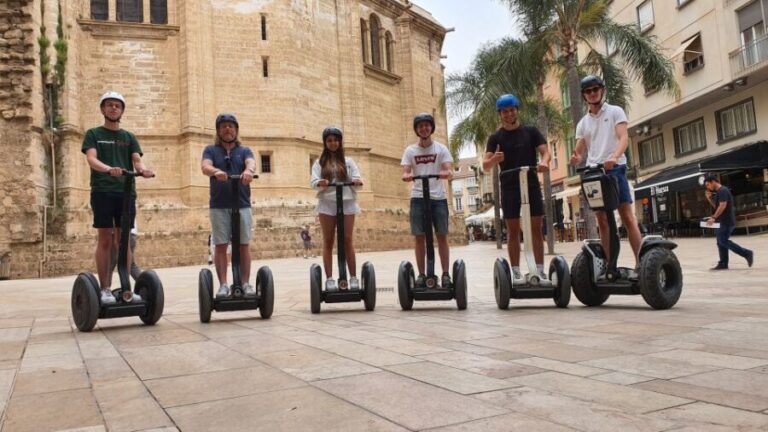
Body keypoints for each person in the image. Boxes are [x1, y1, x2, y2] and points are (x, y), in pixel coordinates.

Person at [82, 91, 154, 304]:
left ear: (122, 110)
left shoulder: (128, 137)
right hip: (103, 191)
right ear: (103, 109)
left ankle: (126, 287)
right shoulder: (93, 134)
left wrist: (144, 170)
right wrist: (108, 169)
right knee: (105, 240)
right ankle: (105, 288)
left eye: (117, 105)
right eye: (110, 105)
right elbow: (91, 159)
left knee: (123, 242)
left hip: (126, 193)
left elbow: (136, 161)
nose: (113, 108)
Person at [570, 75, 642, 274]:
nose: (593, 93)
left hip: (615, 169)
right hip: (594, 173)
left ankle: (640, 262)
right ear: (584, 96)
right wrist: (575, 158)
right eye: (588, 91)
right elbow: (579, 149)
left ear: (602, 90)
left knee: (626, 215)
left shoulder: (615, 111)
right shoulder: (583, 123)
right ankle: (609, 267)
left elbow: (623, 137)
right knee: (602, 219)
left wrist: (615, 156)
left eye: (595, 89)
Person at [482, 94, 551, 280]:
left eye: (512, 110)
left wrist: (544, 162)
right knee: (512, 231)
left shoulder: (530, 132)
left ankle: (539, 269)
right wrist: (494, 159)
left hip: (531, 184)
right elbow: (485, 165)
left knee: (537, 228)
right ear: (500, 114)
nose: (509, 114)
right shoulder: (495, 138)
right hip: (510, 187)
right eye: (505, 111)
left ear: (517, 110)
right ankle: (515, 271)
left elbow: (545, 152)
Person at [201, 113, 257, 298]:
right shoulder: (211, 150)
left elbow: (251, 162)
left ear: (236, 130)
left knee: (243, 245)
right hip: (219, 205)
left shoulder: (244, 150)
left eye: (231, 126)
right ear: (218, 130)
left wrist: (248, 171)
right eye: (224, 126)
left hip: (242, 204)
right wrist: (216, 171)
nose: (227, 129)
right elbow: (205, 166)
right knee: (221, 245)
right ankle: (224, 285)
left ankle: (246, 283)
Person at [401, 112, 453, 287]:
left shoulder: (441, 149)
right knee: (419, 237)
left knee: (442, 236)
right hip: (418, 198)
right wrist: (407, 175)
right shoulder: (410, 151)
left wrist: (445, 172)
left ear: (431, 128)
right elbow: (406, 170)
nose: (424, 128)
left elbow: (447, 168)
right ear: (417, 129)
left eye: (427, 125)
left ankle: (446, 273)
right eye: (420, 126)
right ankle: (422, 275)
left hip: (438, 198)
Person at [310, 127, 363, 291]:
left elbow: (357, 178)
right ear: (325, 143)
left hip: (346, 201)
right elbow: (313, 182)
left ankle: (353, 277)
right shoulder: (319, 163)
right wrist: (320, 183)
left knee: (347, 239)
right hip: (327, 203)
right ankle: (330, 279)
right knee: (328, 240)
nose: (333, 143)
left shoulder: (349, 161)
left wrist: (356, 181)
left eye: (335, 140)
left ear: (340, 142)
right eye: (329, 140)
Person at [704, 176, 754, 270]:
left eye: (708, 184)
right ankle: (723, 263)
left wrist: (714, 217)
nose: (707, 187)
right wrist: (710, 198)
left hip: (726, 221)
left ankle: (747, 253)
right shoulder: (719, 192)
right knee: (720, 242)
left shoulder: (723, 190)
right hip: (722, 221)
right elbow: (717, 206)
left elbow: (723, 206)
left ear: (713, 182)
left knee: (723, 240)